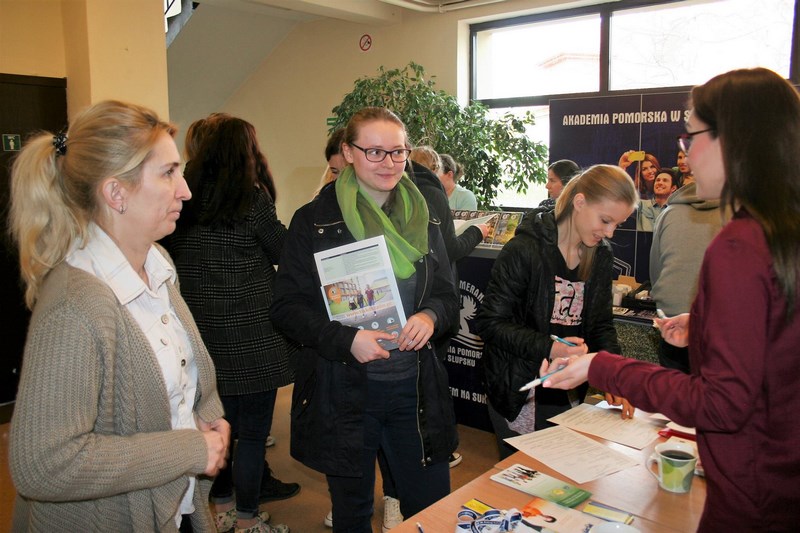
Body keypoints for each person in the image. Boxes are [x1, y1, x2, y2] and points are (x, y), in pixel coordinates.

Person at [541, 68, 800, 531]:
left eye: (691, 138)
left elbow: (721, 403)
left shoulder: (739, 245)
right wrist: (705, 327)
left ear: (733, 140)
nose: (687, 157)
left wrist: (603, 366)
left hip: (752, 493)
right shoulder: (781, 230)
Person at [7, 100, 230, 531]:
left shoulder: (159, 264)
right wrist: (189, 450)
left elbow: (181, 371)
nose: (185, 190)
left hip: (170, 508)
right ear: (116, 193)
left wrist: (206, 414)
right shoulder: (76, 306)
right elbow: (43, 464)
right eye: (168, 173)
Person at [271, 106, 459, 532]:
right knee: (353, 513)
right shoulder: (314, 221)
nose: (389, 163)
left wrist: (430, 316)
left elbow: (447, 295)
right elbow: (286, 308)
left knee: (431, 510)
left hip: (414, 390)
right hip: (346, 391)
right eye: (374, 151)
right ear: (348, 152)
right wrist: (346, 340)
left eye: (398, 151)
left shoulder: (424, 217)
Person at [165, 116, 296, 533]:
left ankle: (220, 509)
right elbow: (284, 251)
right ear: (245, 151)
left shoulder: (183, 200)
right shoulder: (250, 199)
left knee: (215, 427)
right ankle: (247, 520)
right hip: (254, 338)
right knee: (253, 436)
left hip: (201, 338)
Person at [474, 164, 637, 459]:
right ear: (580, 202)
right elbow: (489, 323)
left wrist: (613, 373)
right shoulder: (524, 250)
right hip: (519, 388)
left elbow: (600, 324)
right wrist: (551, 347)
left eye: (617, 224)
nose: (610, 232)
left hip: (568, 391)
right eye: (605, 220)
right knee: (523, 476)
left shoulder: (601, 253)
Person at [649, 179, 723, 374]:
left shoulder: (668, 213)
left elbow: (655, 271)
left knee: (674, 388)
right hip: (717, 329)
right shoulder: (741, 215)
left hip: (671, 322)